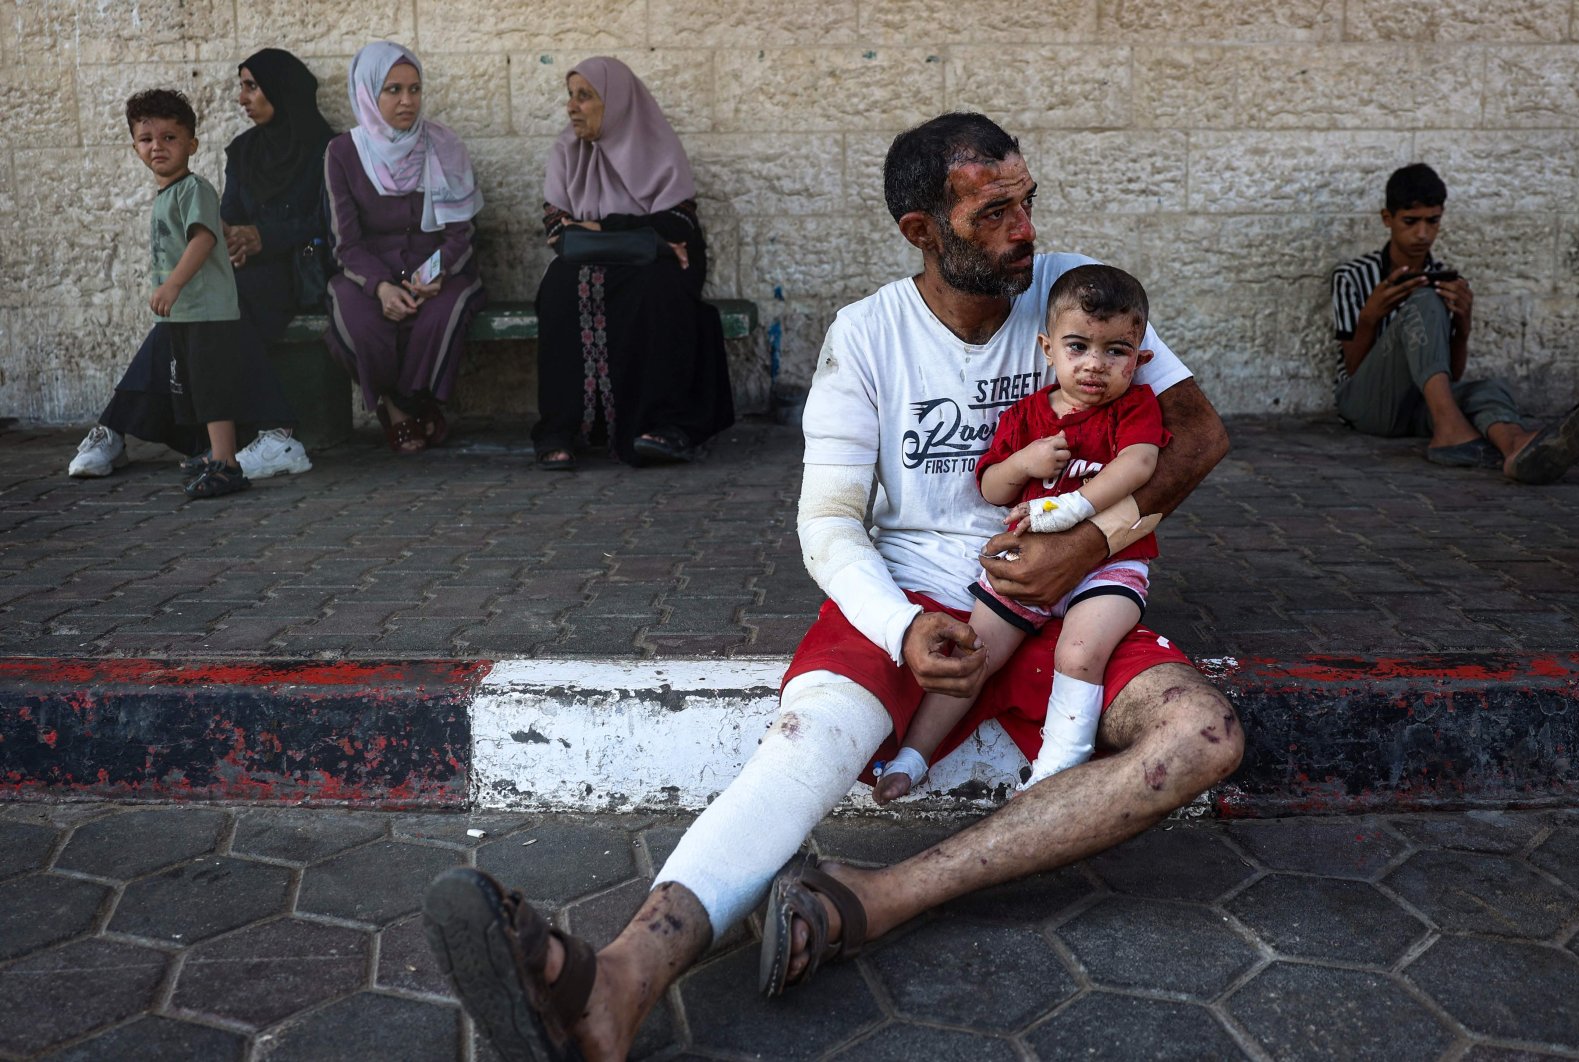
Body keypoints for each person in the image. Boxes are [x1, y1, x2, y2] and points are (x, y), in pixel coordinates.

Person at [423, 113, 1240, 1061]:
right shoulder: (867, 335)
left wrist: (1088, 542)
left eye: (1028, 201)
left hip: (1068, 593)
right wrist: (900, 632)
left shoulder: (1080, 297)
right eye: (993, 211)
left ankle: (876, 897)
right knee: (811, 736)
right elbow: (828, 522)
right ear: (921, 229)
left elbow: (1196, 435)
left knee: (1204, 735)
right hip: (910, 587)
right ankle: (619, 980)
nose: (1024, 229)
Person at [873, 264, 1168, 805]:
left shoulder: (1134, 407)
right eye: (1078, 347)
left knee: (1080, 652)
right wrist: (1026, 461)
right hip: (1025, 562)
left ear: (1140, 356)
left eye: (1116, 351)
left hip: (1109, 565)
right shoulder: (1029, 415)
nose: (1095, 366)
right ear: (1047, 348)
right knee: (975, 651)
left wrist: (1075, 505)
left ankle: (1058, 764)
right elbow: (990, 486)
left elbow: (1140, 463)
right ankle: (913, 755)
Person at [68, 49, 331, 481]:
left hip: (295, 272)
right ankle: (115, 430)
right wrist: (231, 237)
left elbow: (328, 217)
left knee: (219, 311)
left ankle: (269, 432)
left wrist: (265, 236)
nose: (242, 98)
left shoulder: (327, 148)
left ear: (283, 90)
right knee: (189, 312)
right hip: (244, 266)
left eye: (252, 86)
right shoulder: (244, 150)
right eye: (240, 86)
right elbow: (228, 211)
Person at [1331, 163, 1579, 483]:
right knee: (1425, 301)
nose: (1422, 233)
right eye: (1410, 221)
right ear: (1387, 219)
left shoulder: (1444, 278)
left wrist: (1463, 325)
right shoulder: (1352, 277)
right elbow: (1352, 370)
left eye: (1432, 221)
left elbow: (1449, 376)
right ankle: (1449, 431)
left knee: (1487, 390)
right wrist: (1369, 318)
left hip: (1419, 407)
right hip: (1365, 407)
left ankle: (1517, 447)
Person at [531, 56, 734, 470]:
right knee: (559, 285)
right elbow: (558, 230)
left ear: (617, 101)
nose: (572, 107)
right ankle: (564, 427)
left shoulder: (657, 146)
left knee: (656, 288)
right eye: (570, 96)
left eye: (585, 96)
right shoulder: (567, 151)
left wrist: (599, 227)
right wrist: (637, 236)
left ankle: (659, 425)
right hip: (615, 260)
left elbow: (677, 227)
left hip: (654, 269)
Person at [323, 41, 486, 454]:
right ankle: (399, 408)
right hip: (370, 272)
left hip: (437, 269)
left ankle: (414, 403)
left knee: (442, 312)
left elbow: (461, 233)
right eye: (393, 90)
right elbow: (346, 242)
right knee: (358, 320)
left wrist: (431, 274)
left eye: (414, 89)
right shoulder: (343, 153)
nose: (407, 101)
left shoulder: (443, 146)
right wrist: (381, 286)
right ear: (368, 92)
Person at [122, 89, 249, 498]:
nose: (157, 146)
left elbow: (202, 240)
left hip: (206, 311)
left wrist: (173, 284)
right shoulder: (168, 194)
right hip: (184, 313)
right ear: (135, 145)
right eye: (146, 139)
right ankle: (214, 452)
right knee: (191, 387)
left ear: (191, 144)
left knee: (211, 387)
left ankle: (227, 464)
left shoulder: (195, 189)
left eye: (170, 137)